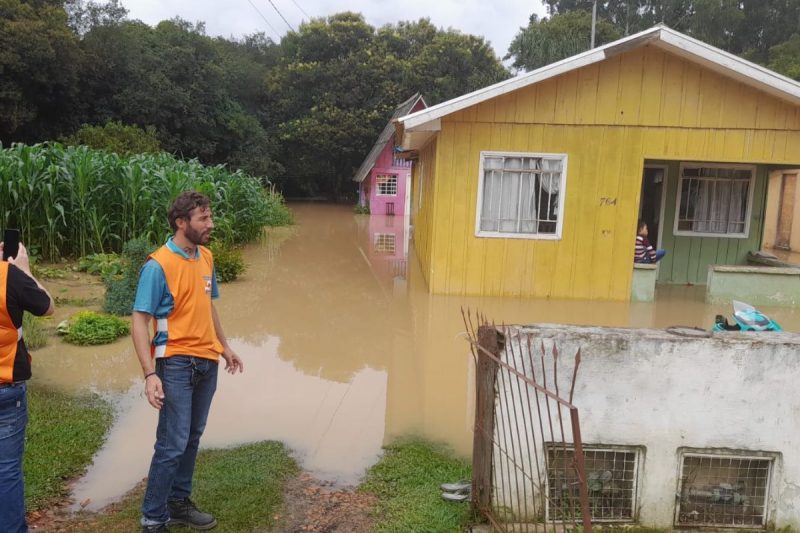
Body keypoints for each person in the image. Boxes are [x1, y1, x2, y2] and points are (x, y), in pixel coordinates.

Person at [132, 191, 244, 533]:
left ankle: (178, 503)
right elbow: (139, 320)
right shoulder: (158, 265)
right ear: (182, 223)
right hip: (175, 363)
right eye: (204, 219)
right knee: (172, 442)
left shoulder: (206, 257)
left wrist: (224, 346)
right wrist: (150, 373)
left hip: (207, 361)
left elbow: (207, 305)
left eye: (210, 217)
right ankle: (153, 516)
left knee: (192, 437)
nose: (211, 224)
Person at [0, 241, 54, 533]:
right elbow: (47, 307)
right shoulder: (9, 274)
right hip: (6, 385)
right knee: (6, 470)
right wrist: (24, 269)